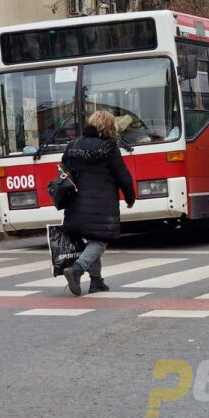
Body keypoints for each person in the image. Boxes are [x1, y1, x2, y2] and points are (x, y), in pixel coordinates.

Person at [60, 110, 136, 296]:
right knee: (100, 240)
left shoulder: (72, 146)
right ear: (110, 127)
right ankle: (77, 269)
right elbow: (122, 176)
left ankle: (96, 281)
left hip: (76, 202)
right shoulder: (109, 148)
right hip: (102, 204)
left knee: (92, 239)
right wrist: (130, 198)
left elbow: (63, 170)